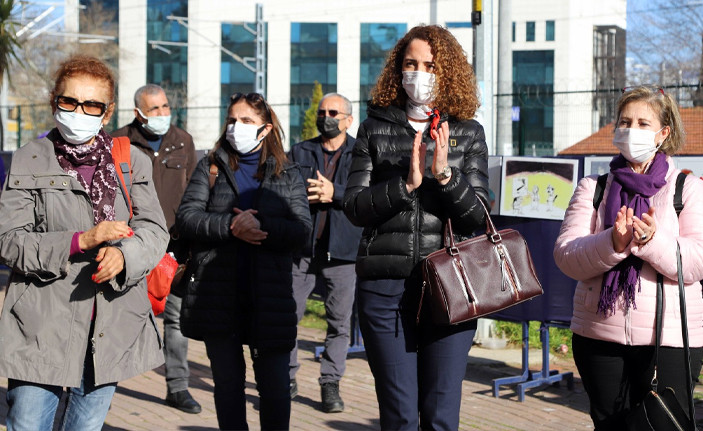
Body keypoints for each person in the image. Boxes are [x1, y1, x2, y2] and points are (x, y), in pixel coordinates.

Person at [0, 55, 168, 430]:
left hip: (109, 324)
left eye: (91, 104)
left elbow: (155, 230)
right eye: (69, 101)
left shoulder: (132, 161)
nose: (79, 111)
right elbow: (9, 241)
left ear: (106, 113)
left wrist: (125, 257)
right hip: (41, 322)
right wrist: (83, 240)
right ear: (54, 103)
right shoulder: (29, 159)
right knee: (27, 425)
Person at [342, 25, 489, 430]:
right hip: (385, 288)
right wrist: (405, 185)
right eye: (411, 64)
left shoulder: (468, 132)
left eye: (429, 65)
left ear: (448, 72)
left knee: (441, 417)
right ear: (398, 69)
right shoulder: (374, 128)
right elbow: (354, 206)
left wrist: (445, 177)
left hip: (450, 287)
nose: (419, 73)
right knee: (400, 416)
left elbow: (477, 216)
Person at [554, 85, 703, 430]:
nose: (631, 130)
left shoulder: (687, 189)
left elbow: (695, 263)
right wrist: (613, 242)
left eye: (642, 123)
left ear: (663, 133)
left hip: (668, 342)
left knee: (664, 424)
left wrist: (651, 241)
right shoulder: (594, 188)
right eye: (625, 121)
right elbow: (566, 256)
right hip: (599, 336)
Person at [176, 92, 312, 430]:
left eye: (247, 121)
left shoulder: (289, 172)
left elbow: (302, 230)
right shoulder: (211, 164)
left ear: (265, 130)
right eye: (232, 120)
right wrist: (231, 227)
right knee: (228, 387)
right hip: (218, 295)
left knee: (276, 390)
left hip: (271, 297)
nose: (237, 127)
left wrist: (261, 226)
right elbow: (187, 218)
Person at [111, 83, 201, 414]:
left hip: (175, 248)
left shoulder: (182, 140)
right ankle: (100, 387)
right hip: (130, 245)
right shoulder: (118, 141)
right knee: (117, 319)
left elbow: (194, 191)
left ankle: (177, 387)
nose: (163, 114)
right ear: (138, 113)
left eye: (165, 107)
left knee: (176, 320)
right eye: (155, 109)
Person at [287, 92, 363, 412]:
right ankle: (286, 378)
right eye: (322, 112)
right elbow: (285, 191)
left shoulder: (361, 154)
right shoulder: (301, 150)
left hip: (343, 251)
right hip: (302, 249)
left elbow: (367, 196)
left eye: (334, 112)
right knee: (288, 316)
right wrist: (305, 197)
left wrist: (335, 193)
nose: (326, 117)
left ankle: (330, 383)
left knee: (338, 322)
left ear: (348, 120)